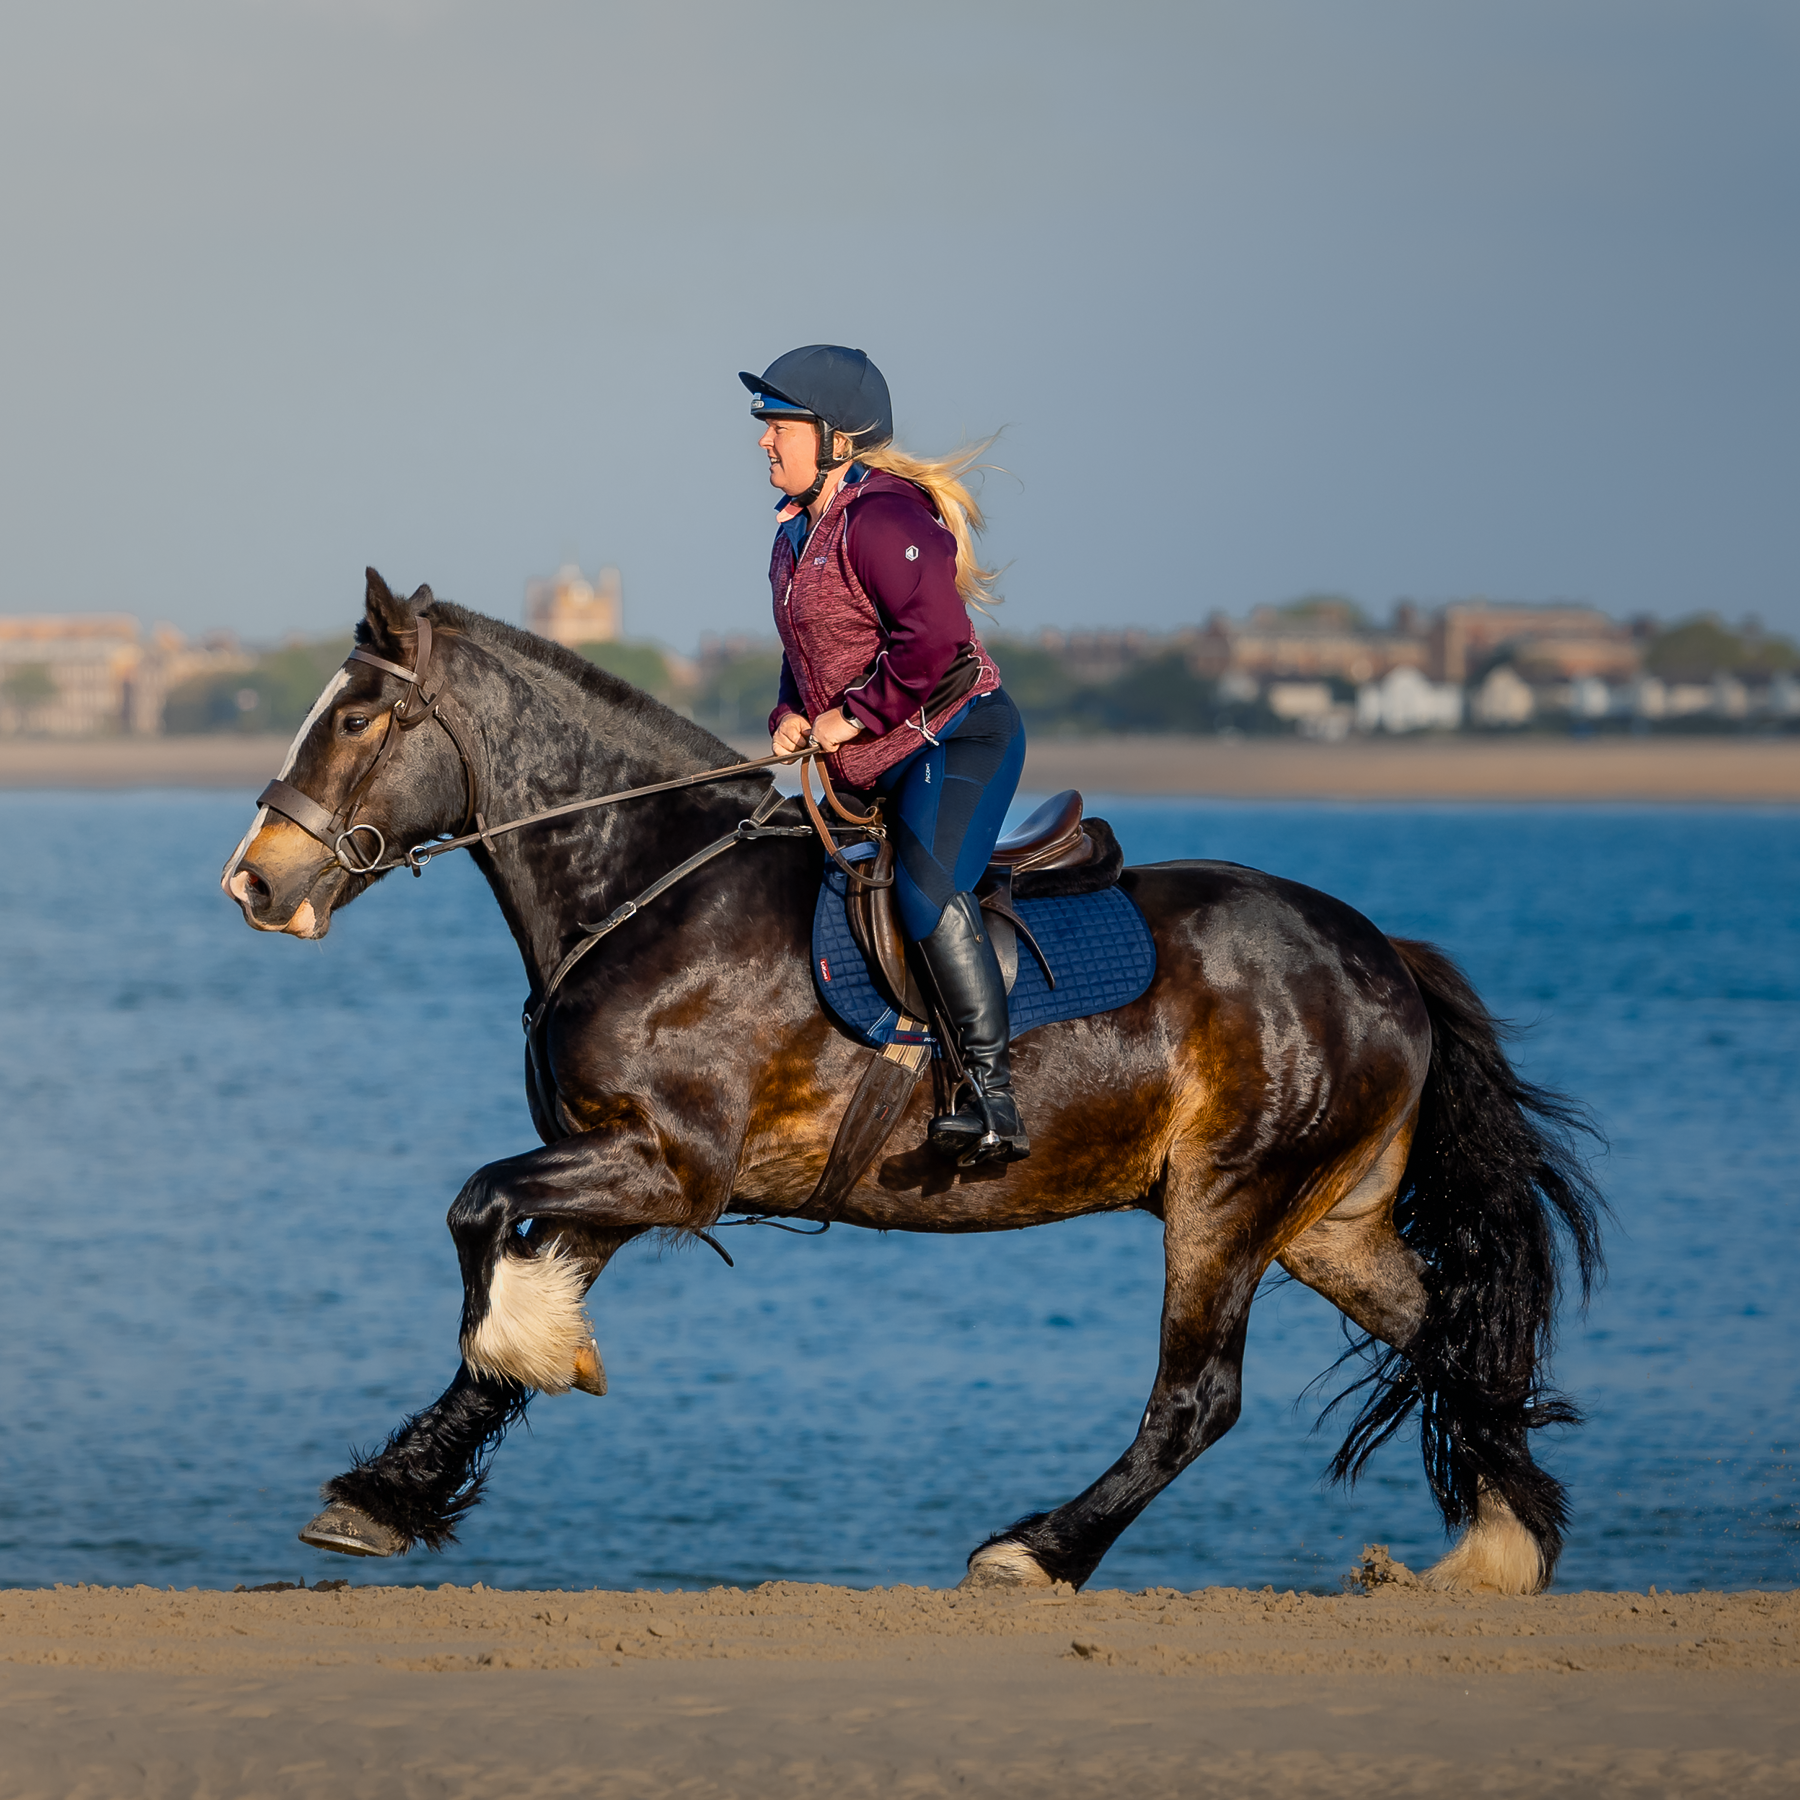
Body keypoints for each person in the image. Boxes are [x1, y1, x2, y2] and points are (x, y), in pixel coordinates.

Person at [743, 344, 1029, 1165]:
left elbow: (934, 643)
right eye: (765, 428)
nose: (765, 442)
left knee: (923, 893)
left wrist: (853, 716)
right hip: (878, 753)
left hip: (959, 734)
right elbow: (810, 646)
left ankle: (992, 1096)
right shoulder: (794, 535)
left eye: (780, 427)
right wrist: (794, 710)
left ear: (836, 437)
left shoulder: (884, 519)